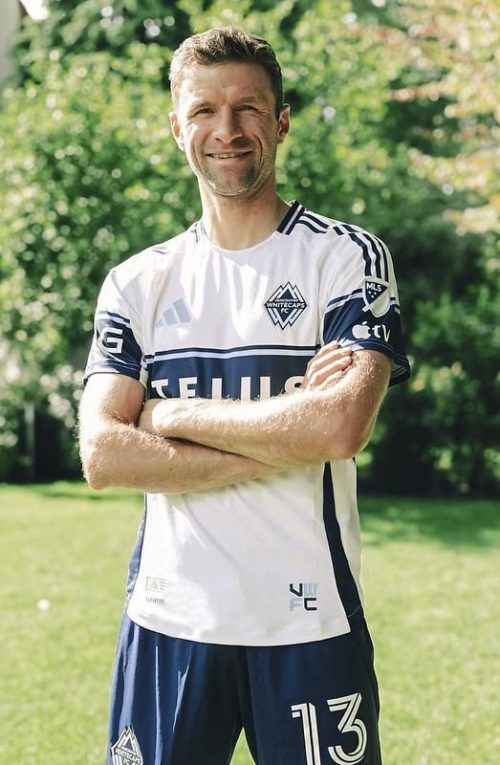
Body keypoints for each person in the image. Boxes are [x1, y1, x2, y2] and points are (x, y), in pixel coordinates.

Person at [79, 26, 410, 765]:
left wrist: (171, 415)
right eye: (203, 110)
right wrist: (283, 437)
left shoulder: (344, 258)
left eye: (248, 108)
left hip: (308, 621)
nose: (226, 130)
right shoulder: (138, 282)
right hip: (170, 617)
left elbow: (339, 426)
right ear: (177, 128)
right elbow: (103, 454)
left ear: (281, 121)